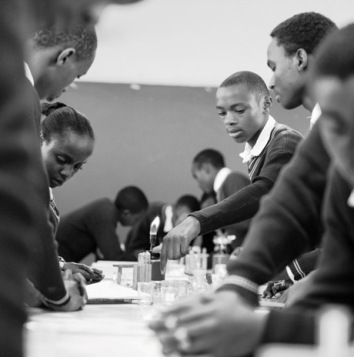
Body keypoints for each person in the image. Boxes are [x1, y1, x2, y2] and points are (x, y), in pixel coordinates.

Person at [149, 22, 354, 355]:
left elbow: (266, 194)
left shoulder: (286, 142)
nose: (341, 146)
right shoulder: (332, 140)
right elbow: (290, 206)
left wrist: (265, 328)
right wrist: (237, 288)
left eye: (239, 109)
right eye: (334, 126)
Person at [157, 70, 303, 270]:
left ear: (266, 104)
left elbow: (265, 190)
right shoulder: (259, 150)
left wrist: (196, 222)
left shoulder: (284, 142)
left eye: (239, 110)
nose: (229, 120)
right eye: (222, 113)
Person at [23, 22, 98, 312]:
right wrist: (57, 295)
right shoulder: (20, 91)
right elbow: (29, 207)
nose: (70, 86)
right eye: (77, 75)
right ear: (65, 57)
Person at [40, 101, 103, 284]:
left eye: (77, 167)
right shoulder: (14, 186)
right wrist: (61, 298)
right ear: (40, 140)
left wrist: (61, 266)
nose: (67, 173)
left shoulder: (44, 191)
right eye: (61, 159)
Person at [56, 186, 149, 262]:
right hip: (53, 257)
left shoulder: (105, 209)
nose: (135, 224)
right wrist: (137, 255)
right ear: (126, 213)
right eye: (137, 219)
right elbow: (114, 258)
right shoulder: (104, 215)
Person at [191, 148, 250, 247]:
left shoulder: (233, 180)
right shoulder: (222, 189)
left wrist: (213, 220)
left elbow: (245, 221)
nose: (198, 184)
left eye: (196, 176)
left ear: (206, 168)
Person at [126, 195, 201, 260]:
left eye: (183, 223)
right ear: (173, 208)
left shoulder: (187, 229)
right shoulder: (151, 214)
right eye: (177, 217)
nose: (178, 224)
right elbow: (133, 250)